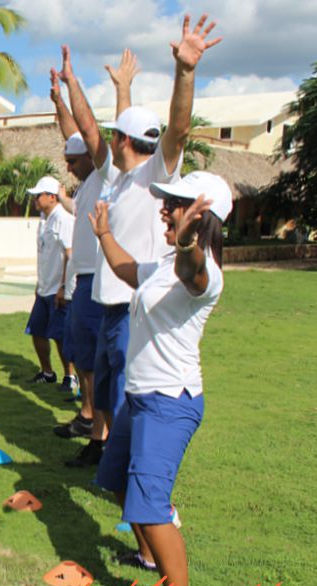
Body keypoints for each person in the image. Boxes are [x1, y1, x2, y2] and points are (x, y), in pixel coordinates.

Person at [56, 14, 220, 469]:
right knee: (107, 387)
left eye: (113, 136)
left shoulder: (155, 175)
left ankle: (134, 471)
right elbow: (90, 130)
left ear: (121, 140)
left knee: (130, 393)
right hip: (107, 302)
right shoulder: (117, 178)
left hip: (136, 305)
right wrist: (74, 83)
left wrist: (185, 71)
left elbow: (178, 130)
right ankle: (103, 449)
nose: (103, 141)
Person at [91, 170, 231, 586]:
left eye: (175, 204)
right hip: (139, 399)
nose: (164, 211)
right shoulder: (164, 266)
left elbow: (195, 271)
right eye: (166, 202)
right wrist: (103, 234)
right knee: (115, 480)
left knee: (150, 505)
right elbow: (126, 269)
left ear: (201, 218)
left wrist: (188, 243)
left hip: (170, 402)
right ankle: (149, 555)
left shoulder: (204, 275)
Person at [49, 51, 137, 448]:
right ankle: (92, 423)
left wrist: (72, 84)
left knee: (99, 367)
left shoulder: (108, 175)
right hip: (87, 282)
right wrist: (58, 103)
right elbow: (73, 134)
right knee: (87, 361)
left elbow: (86, 132)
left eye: (72, 161)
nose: (67, 167)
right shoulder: (89, 182)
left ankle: (98, 430)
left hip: (100, 283)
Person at [23, 175, 73, 386]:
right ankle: (47, 372)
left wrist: (63, 286)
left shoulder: (64, 218)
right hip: (44, 288)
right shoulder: (44, 221)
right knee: (37, 331)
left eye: (38, 195)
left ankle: (70, 376)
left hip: (57, 289)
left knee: (60, 336)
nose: (35, 199)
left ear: (52, 197)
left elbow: (70, 254)